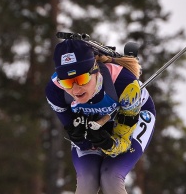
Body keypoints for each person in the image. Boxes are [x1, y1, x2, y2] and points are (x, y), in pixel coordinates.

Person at [45, 39, 156, 194]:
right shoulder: (55, 91)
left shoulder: (125, 84)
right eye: (67, 82)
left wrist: (109, 144)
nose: (76, 89)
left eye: (82, 79)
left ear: (95, 70)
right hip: (96, 122)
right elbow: (76, 136)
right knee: (87, 180)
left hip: (133, 116)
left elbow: (123, 142)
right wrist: (80, 137)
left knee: (110, 177)